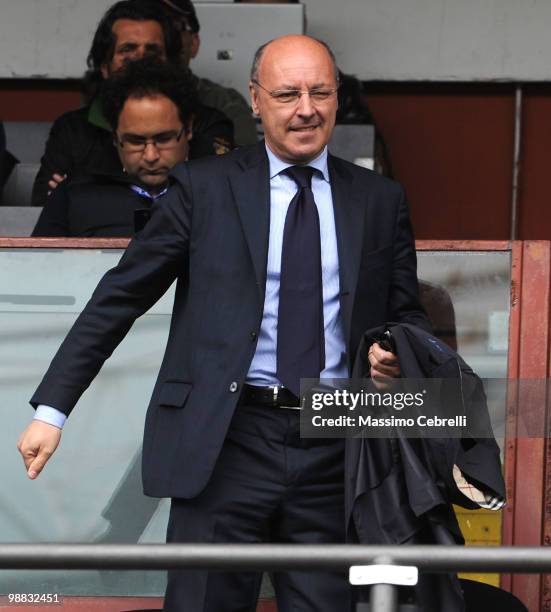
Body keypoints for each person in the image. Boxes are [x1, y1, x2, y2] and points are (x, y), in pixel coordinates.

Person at [18, 35, 428, 611]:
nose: (305, 108)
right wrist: (52, 410)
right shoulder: (204, 188)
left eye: (320, 92)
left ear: (337, 100)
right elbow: (120, 297)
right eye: (287, 94)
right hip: (227, 439)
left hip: (338, 442)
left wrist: (392, 351)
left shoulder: (380, 200)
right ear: (255, 101)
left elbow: (405, 314)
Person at [31, 0, 233, 206]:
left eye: (152, 51)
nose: (140, 59)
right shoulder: (72, 130)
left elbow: (217, 198)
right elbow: (45, 203)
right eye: (128, 50)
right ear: (105, 67)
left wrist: (82, 194)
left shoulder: (206, 123)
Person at [32, 58, 195, 237]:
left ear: (188, 129)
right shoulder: (73, 196)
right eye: (135, 141)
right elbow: (39, 263)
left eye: (164, 139)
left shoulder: (220, 196)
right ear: (115, 137)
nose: (150, 156)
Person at [158, 0, 258, 146]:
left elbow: (246, 164)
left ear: (193, 43)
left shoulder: (223, 104)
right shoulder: (115, 102)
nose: (162, 39)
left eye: (173, 28)